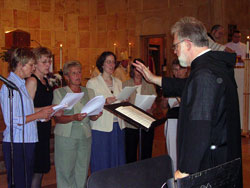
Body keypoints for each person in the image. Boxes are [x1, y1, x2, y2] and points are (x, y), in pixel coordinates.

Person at [132, 17, 242, 186]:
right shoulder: (213, 66)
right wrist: (154, 78)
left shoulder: (204, 75)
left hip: (209, 164)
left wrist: (185, 170)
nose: (174, 51)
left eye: (176, 45)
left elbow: (200, 127)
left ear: (188, 44)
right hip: (223, 156)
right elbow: (188, 86)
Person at [0, 48, 54, 188]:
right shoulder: (9, 87)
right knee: (19, 183)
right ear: (20, 65)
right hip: (17, 142)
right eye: (31, 65)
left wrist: (42, 117)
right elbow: (12, 120)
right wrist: (39, 115)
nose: (33, 68)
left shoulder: (21, 85)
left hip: (29, 140)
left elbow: (27, 112)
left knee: (26, 181)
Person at [52, 61, 102, 187]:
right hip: (66, 137)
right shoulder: (59, 93)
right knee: (66, 171)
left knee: (82, 170)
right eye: (74, 73)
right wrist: (73, 117)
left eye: (79, 72)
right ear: (66, 77)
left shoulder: (89, 92)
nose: (78, 76)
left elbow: (92, 116)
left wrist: (96, 115)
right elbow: (57, 119)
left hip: (85, 136)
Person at [26, 47, 60, 188]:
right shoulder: (32, 81)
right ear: (35, 63)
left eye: (49, 61)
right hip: (34, 129)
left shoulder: (46, 80)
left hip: (44, 127)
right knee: (35, 170)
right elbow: (25, 110)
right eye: (44, 62)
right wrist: (46, 110)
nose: (48, 64)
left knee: (40, 170)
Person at [86, 51, 126, 173]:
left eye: (113, 62)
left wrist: (125, 101)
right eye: (108, 62)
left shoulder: (119, 82)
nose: (111, 65)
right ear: (102, 64)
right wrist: (104, 102)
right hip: (101, 127)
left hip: (118, 125)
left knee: (117, 162)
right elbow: (90, 107)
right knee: (102, 161)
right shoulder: (92, 83)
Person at [122, 58, 157, 163]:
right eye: (136, 69)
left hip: (146, 122)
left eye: (141, 69)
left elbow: (155, 103)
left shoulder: (149, 84)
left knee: (146, 152)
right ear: (132, 70)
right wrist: (125, 101)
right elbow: (121, 103)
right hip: (130, 124)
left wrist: (152, 106)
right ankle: (131, 175)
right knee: (130, 153)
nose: (139, 72)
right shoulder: (125, 84)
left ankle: (145, 174)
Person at [164, 59, 188, 174]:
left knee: (186, 152)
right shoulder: (170, 84)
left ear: (186, 69)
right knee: (173, 153)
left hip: (187, 121)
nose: (178, 72)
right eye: (175, 70)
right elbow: (163, 106)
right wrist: (164, 99)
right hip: (173, 119)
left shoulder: (190, 83)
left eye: (180, 69)